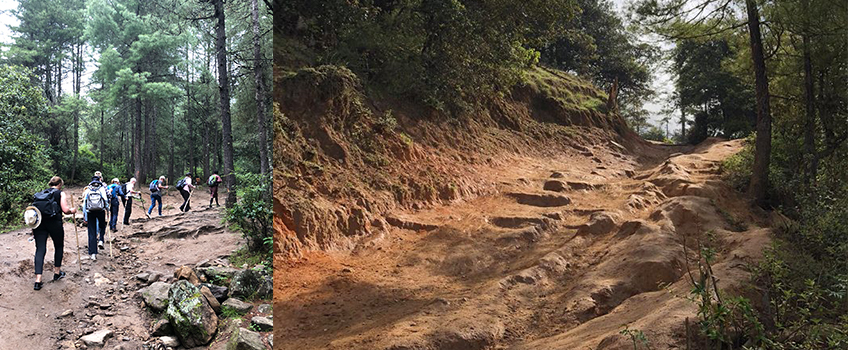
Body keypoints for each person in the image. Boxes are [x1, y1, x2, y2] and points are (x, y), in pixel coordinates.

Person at [32, 176, 76, 290]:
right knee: (58, 246)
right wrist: (73, 210)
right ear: (60, 184)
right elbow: (65, 210)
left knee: (40, 249)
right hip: (54, 223)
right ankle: (57, 273)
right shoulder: (60, 193)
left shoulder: (40, 194)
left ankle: (38, 280)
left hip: (39, 223)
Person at [83, 176, 109, 261]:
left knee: (91, 232)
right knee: (102, 226)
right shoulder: (101, 189)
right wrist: (108, 210)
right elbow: (105, 200)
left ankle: (93, 253)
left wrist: (85, 216)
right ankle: (101, 239)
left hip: (90, 212)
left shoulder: (88, 190)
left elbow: (85, 204)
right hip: (100, 211)